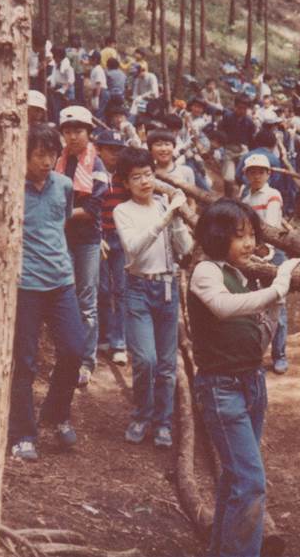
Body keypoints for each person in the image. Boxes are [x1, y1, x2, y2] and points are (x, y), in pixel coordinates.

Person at [189, 199, 300, 557]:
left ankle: (222, 548)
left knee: (235, 478)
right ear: (218, 237)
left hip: (251, 382)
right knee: (251, 482)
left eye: (252, 235)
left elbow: (258, 328)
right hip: (221, 389)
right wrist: (277, 287)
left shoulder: (244, 274)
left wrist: (275, 297)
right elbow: (223, 308)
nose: (249, 243)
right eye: (240, 236)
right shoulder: (206, 271)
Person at [10, 125, 86, 461]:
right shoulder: (11, 187)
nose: (46, 161)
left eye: (52, 154)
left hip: (61, 282)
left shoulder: (64, 186)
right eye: (39, 154)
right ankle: (22, 434)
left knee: (74, 350)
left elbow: (63, 222)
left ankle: (56, 415)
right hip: (25, 286)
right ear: (24, 154)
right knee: (24, 363)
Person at [114, 148, 194, 448]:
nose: (145, 181)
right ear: (126, 183)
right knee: (145, 360)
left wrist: (177, 219)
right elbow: (133, 248)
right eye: (137, 177)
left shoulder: (165, 205)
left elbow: (184, 250)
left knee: (166, 364)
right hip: (138, 288)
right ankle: (141, 415)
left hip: (168, 287)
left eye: (148, 174)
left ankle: (163, 422)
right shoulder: (123, 211)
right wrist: (166, 218)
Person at [56, 106, 109, 387]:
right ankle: (65, 355)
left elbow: (91, 208)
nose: (73, 136)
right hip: (60, 238)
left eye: (79, 130)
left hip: (87, 238)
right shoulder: (58, 161)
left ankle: (86, 360)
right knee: (62, 295)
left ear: (89, 133)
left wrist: (58, 212)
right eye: (68, 131)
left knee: (87, 299)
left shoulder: (97, 167)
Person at [241, 154, 289, 375]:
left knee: (276, 302)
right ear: (246, 175)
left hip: (271, 250)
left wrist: (262, 248)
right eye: (252, 172)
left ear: (268, 174)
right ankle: (253, 352)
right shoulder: (245, 196)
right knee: (252, 301)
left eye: (261, 171)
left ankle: (279, 354)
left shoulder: (272, 195)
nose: (256, 175)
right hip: (249, 251)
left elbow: (270, 226)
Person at [94, 130, 130, 367]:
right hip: (99, 236)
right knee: (102, 289)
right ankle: (104, 336)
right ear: (99, 150)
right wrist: (96, 235)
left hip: (122, 237)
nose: (114, 155)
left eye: (118, 150)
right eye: (110, 149)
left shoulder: (124, 177)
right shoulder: (94, 174)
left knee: (122, 289)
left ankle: (120, 343)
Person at [217, 94, 256, 197]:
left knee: (243, 176)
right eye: (239, 108)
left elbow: (251, 140)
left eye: (244, 108)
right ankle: (227, 197)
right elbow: (220, 131)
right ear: (235, 106)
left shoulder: (249, 122)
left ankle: (243, 197)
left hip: (242, 150)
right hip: (229, 148)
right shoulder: (227, 117)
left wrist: (251, 153)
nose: (241, 110)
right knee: (228, 177)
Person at [48, 47, 75, 116]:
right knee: (57, 110)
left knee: (67, 110)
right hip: (58, 88)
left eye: (55, 56)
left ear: (59, 56)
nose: (54, 58)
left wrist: (63, 89)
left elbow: (71, 80)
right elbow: (54, 76)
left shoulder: (67, 66)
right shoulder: (56, 65)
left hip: (66, 89)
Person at [88, 50, 108, 117]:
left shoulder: (98, 69)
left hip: (101, 92)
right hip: (97, 92)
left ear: (95, 59)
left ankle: (99, 127)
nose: (88, 60)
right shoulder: (94, 69)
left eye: (90, 58)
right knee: (96, 112)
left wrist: (96, 97)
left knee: (99, 113)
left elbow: (98, 85)